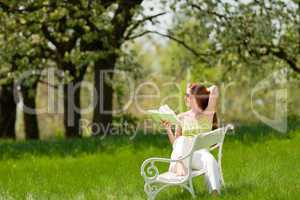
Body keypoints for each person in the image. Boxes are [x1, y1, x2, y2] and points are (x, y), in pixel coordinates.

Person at [161, 83, 221, 195]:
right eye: (186, 95)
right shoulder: (181, 117)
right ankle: (179, 163)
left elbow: (214, 89)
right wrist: (168, 129)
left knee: (210, 160)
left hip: (200, 155)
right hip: (182, 157)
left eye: (188, 95)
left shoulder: (207, 114)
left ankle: (214, 193)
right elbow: (176, 144)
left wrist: (198, 90)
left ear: (196, 98)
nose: (185, 98)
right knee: (182, 139)